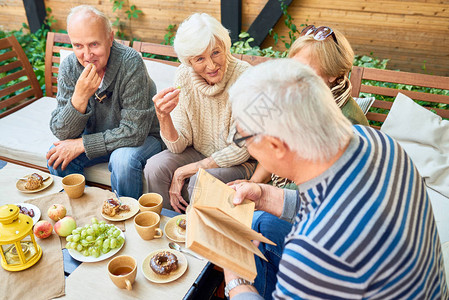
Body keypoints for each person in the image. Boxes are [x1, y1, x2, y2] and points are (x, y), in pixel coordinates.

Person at [223, 59, 447, 299]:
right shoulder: (377, 141)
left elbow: (329, 227)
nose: (244, 144)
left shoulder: (311, 252)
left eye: (242, 138)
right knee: (260, 222)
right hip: (412, 283)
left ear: (276, 145)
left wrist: (236, 278)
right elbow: (335, 203)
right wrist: (265, 194)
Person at [232, 25, 369, 189]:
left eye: (303, 68)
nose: (293, 74)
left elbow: (320, 184)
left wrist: (264, 192)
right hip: (279, 185)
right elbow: (275, 151)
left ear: (333, 73)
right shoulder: (300, 95)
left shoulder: (345, 123)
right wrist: (254, 182)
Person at [144, 13, 255, 213]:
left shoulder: (245, 76)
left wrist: (186, 170)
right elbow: (177, 147)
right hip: (200, 152)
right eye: (200, 58)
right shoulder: (183, 76)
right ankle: (168, 230)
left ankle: (196, 238)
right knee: (155, 168)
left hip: (240, 161)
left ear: (225, 46)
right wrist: (163, 117)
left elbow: (241, 149)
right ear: (188, 61)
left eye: (215, 53)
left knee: (199, 180)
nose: (211, 66)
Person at [47, 5, 161, 199]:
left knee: (122, 160)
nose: (86, 55)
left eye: (94, 44)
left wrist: (82, 144)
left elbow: (134, 131)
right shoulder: (69, 66)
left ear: (110, 38)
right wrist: (79, 98)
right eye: (78, 46)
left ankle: (126, 219)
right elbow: (61, 131)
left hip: (143, 138)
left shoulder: (130, 63)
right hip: (101, 139)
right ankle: (82, 214)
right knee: (56, 156)